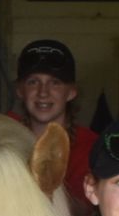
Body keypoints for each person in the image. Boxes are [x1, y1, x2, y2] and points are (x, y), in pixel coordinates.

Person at [10, 39, 99, 199]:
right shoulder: (6, 131)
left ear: (71, 92)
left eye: (55, 83)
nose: (43, 92)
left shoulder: (91, 146)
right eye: (33, 82)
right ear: (20, 90)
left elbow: (81, 211)